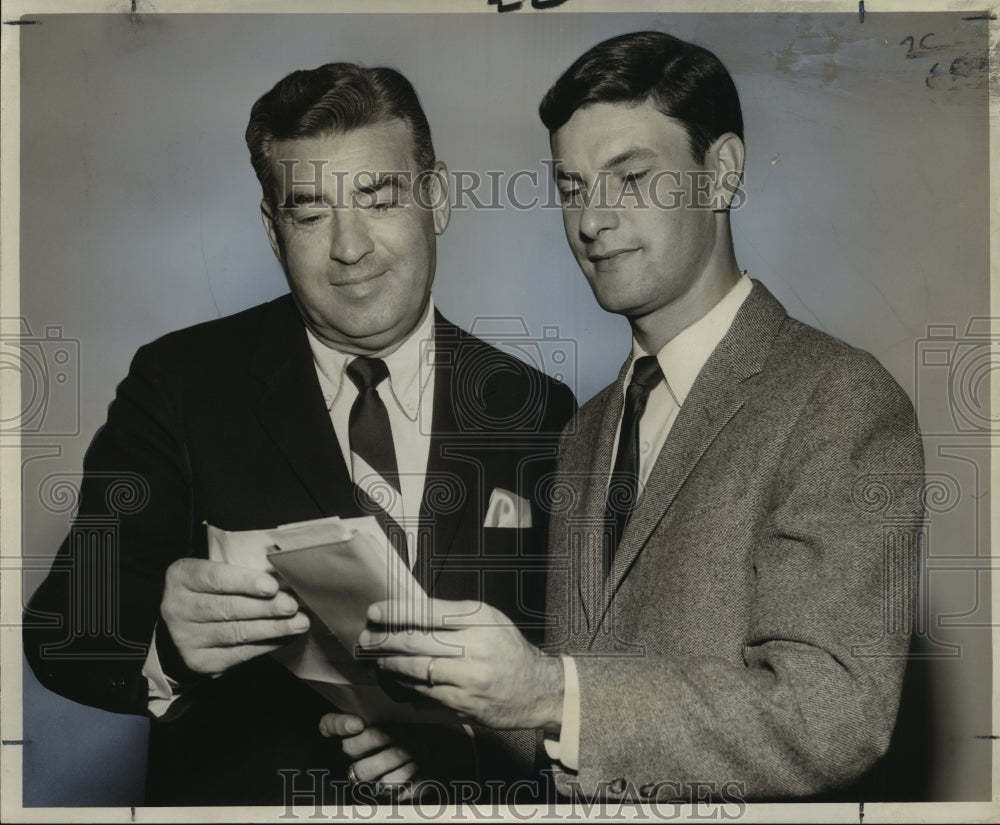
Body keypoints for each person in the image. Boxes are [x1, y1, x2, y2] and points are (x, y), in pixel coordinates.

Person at [332, 31, 925, 803]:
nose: (592, 220)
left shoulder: (840, 401)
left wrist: (547, 693)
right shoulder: (586, 429)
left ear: (722, 174)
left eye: (631, 177)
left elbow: (833, 711)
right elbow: (587, 699)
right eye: (572, 187)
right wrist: (455, 736)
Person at [22, 62, 575, 806]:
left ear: (436, 198)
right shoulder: (180, 383)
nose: (350, 248)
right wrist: (165, 645)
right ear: (272, 229)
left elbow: (576, 666)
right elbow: (62, 628)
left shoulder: (538, 407)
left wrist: (473, 743)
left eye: (377, 200)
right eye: (310, 213)